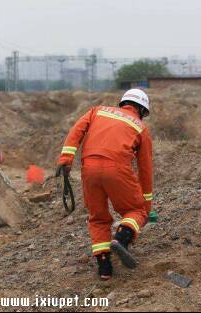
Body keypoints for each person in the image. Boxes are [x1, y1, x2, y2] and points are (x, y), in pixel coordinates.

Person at [56, 89, 153, 280]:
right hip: (118, 170)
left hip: (89, 169)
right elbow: (145, 169)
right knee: (136, 211)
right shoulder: (141, 128)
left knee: (98, 219)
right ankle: (121, 239)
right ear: (141, 110)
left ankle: (104, 268)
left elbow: (76, 131)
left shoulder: (97, 111)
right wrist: (146, 206)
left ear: (123, 103)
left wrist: (66, 158)